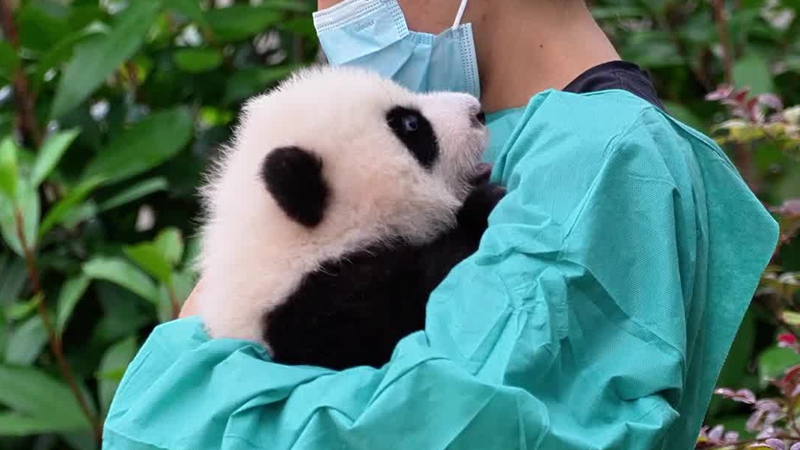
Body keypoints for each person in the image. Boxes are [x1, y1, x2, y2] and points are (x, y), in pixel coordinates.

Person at [103, 1, 779, 449]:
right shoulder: (539, 141)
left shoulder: (598, 157)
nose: (329, 13)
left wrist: (179, 377)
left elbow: (441, 424)